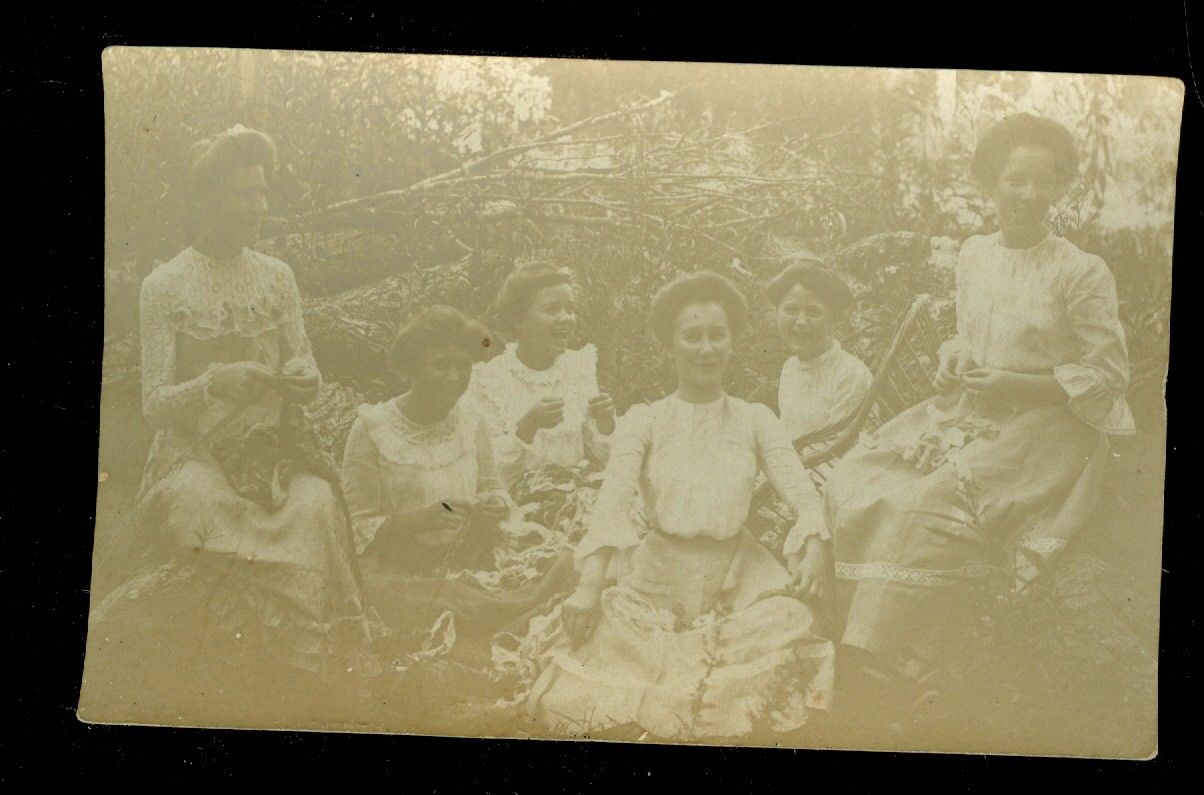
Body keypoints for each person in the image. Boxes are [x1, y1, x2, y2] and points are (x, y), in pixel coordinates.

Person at [822, 114, 1136, 694]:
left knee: (930, 501)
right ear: (991, 184)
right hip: (968, 410)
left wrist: (1020, 384)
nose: (1028, 195)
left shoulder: (1080, 272)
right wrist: (954, 358)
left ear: (1060, 187)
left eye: (1043, 181)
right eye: (1015, 180)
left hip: (1049, 427)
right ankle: (844, 625)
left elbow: (1110, 376)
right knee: (858, 476)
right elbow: (971, 336)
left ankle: (897, 651)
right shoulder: (975, 255)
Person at [82, 126, 379, 724]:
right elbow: (154, 405)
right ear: (204, 199)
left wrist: (301, 378)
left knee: (316, 503)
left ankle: (308, 660)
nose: (259, 208)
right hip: (195, 455)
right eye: (245, 194)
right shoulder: (164, 285)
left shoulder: (277, 277)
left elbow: (307, 367)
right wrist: (213, 384)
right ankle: (243, 657)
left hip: (273, 450)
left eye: (262, 193)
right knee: (202, 504)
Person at [523, 271, 836, 740]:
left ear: (732, 342)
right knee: (605, 630)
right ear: (669, 345)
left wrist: (814, 546)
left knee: (793, 620)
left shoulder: (755, 419)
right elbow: (613, 502)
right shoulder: (645, 421)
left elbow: (801, 492)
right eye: (692, 336)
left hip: (737, 572)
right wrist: (589, 586)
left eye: (717, 335)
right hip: (657, 575)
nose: (706, 349)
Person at [341, 305, 575, 665]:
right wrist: (421, 520)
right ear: (411, 368)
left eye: (463, 366)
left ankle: (499, 611)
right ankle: (504, 613)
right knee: (437, 598)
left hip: (469, 552)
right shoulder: (373, 428)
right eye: (440, 365)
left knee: (560, 563)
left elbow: (493, 486)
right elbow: (355, 527)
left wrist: (494, 504)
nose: (453, 377)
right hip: (398, 568)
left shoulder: (470, 419)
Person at [467, 261, 615, 490]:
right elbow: (485, 475)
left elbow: (608, 457)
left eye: (570, 309)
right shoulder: (489, 381)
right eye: (552, 309)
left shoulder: (577, 368)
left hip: (572, 497)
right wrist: (526, 428)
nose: (566, 318)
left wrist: (605, 424)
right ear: (518, 319)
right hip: (512, 503)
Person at [769, 261, 873, 441]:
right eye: (791, 310)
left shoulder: (851, 374)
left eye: (814, 312)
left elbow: (843, 448)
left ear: (833, 319)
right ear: (777, 313)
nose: (801, 321)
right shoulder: (790, 367)